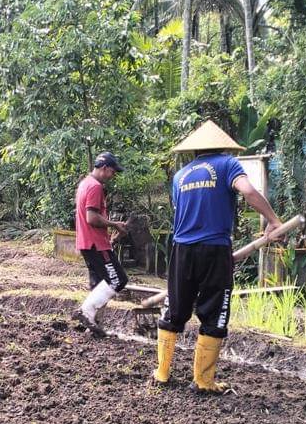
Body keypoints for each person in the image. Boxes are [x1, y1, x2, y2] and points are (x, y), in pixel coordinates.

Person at [153, 120, 283, 392]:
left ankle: (162, 374)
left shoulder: (180, 176)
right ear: (222, 146)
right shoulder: (227, 164)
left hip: (181, 249)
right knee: (214, 314)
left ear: (194, 151)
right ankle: (203, 381)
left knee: (175, 311)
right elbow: (247, 191)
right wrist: (272, 220)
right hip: (214, 249)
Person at [73, 152, 130, 333]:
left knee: (99, 286)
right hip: (96, 244)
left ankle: (93, 325)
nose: (113, 176)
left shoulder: (84, 184)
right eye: (113, 172)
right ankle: (86, 312)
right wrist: (115, 224)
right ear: (104, 168)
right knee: (118, 280)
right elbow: (92, 218)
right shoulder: (95, 187)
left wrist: (110, 234)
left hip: (86, 242)